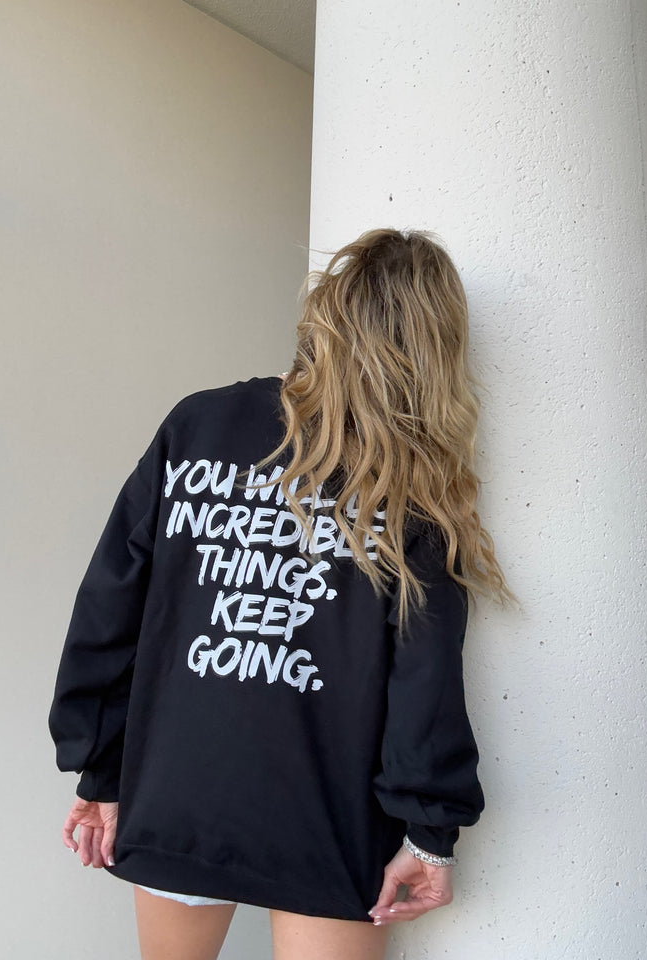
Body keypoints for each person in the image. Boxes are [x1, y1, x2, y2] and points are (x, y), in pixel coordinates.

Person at [48, 226, 515, 960]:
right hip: (324, 815)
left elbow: (109, 608)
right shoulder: (411, 484)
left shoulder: (199, 426)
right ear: (434, 350)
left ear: (324, 316)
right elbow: (425, 679)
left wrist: (101, 767)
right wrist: (430, 834)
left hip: (181, 789)